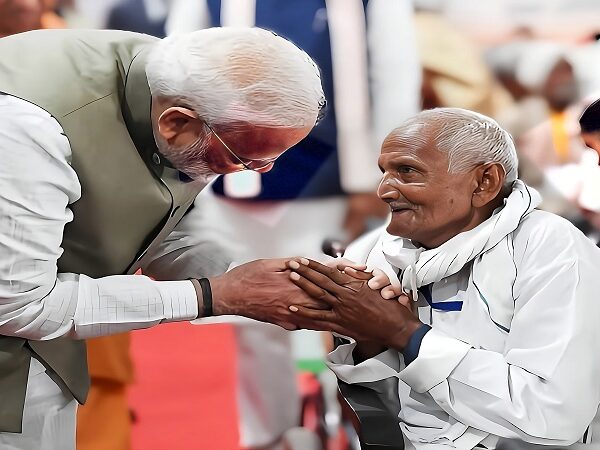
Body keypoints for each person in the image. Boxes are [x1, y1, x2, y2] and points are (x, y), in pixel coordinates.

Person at [0, 26, 326, 450]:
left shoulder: (181, 79)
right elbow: (19, 304)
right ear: (175, 123)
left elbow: (165, 229)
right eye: (244, 158)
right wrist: (213, 296)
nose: (260, 172)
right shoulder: (28, 128)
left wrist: (258, 280)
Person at [283, 108, 600, 448]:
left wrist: (405, 333)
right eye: (384, 172)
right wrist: (367, 339)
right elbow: (374, 409)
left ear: (484, 182)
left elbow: (552, 414)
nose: (384, 190)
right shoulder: (374, 250)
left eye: (406, 171)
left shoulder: (548, 246)